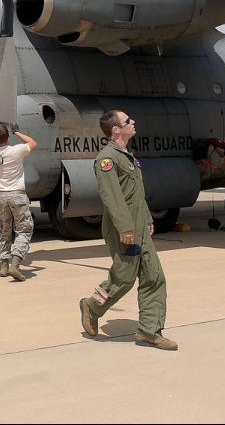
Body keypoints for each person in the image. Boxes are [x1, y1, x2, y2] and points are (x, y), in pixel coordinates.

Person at [79, 110, 177, 350]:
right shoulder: (107, 158)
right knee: (123, 278)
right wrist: (125, 226)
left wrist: (146, 218)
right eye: (128, 121)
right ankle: (92, 306)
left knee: (154, 276)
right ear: (116, 129)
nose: (133, 123)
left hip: (138, 225)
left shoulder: (127, 156)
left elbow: (136, 193)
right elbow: (112, 197)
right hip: (123, 226)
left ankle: (149, 331)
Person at [0, 119, 37, 281]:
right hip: (17, 195)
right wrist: (16, 131)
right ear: (8, 137)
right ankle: (16, 262)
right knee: (24, 229)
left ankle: (4, 264)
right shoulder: (16, 151)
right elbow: (33, 143)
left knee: (4, 229)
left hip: (0, 196)